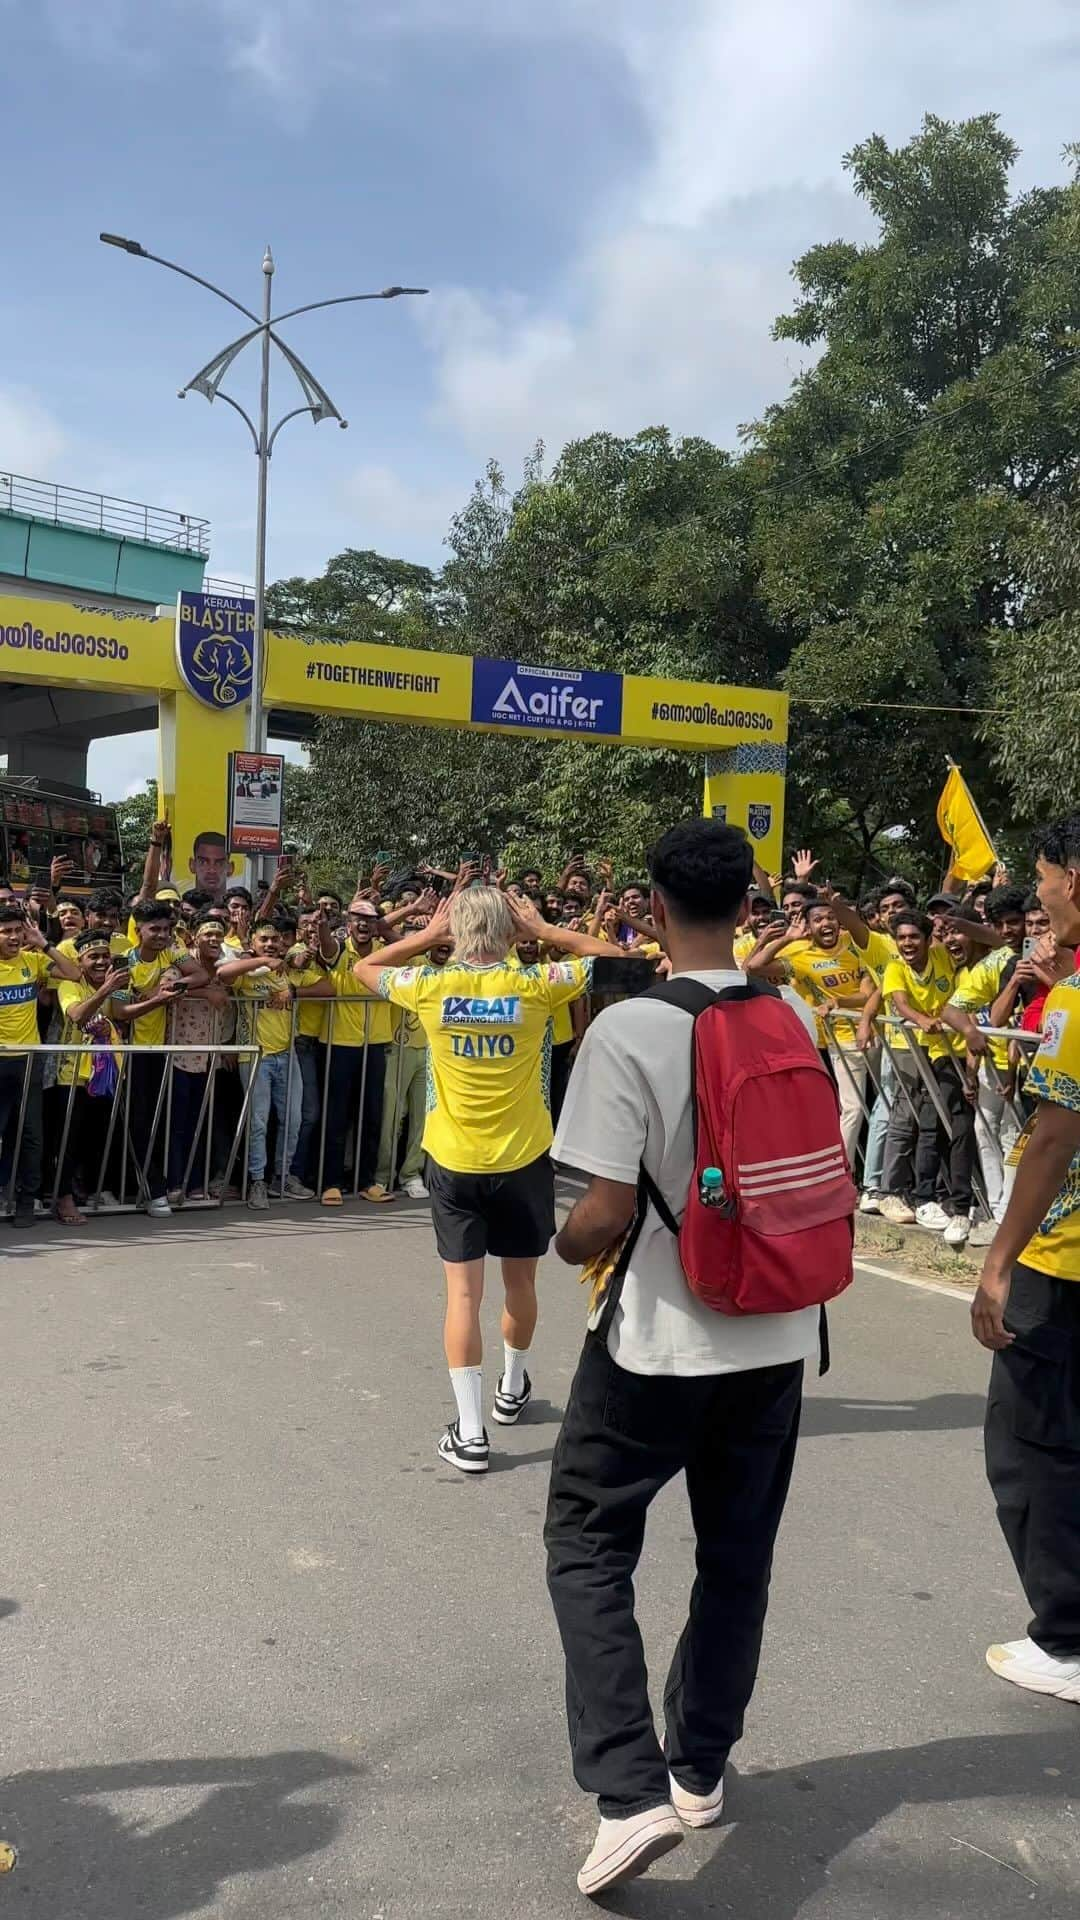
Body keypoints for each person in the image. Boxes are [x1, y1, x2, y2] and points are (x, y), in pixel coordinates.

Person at [542, 820, 823, 1897]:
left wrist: (558, 1242)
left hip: (658, 1338)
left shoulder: (629, 1031)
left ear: (652, 906)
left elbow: (602, 1211)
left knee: (586, 1543)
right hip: (778, 1332)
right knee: (735, 1556)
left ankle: (626, 1792)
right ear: (749, 904)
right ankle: (698, 1764)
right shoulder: (791, 1009)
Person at [354, 887, 613, 1472]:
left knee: (463, 1296)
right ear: (510, 931)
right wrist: (544, 931)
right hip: (523, 1158)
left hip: (453, 1159)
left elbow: (363, 966)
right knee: (521, 1283)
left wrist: (424, 937)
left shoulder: (430, 985)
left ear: (455, 931)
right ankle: (511, 1386)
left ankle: (471, 1434)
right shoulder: (537, 984)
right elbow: (616, 959)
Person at [971, 812, 1080, 1703]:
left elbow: (1052, 1138)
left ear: (1073, 879)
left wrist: (998, 1261)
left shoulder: (1078, 1000)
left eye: (1043, 878)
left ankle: (1068, 1639)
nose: (1038, 897)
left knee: (1035, 1450)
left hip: (1063, 1264)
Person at [877, 912, 981, 1240]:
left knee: (960, 1125)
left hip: (964, 1049)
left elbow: (970, 941)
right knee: (931, 1122)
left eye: (914, 937)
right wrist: (921, 1019)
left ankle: (961, 1201)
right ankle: (927, 1197)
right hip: (931, 1052)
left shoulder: (943, 955)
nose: (907, 943)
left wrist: (955, 921)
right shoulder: (896, 968)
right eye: (901, 937)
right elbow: (899, 1002)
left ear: (927, 939)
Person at [218, 922, 333, 1210]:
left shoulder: (290, 972)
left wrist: (292, 992)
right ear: (254, 943)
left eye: (275, 941)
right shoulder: (247, 972)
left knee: (292, 1120)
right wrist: (262, 961)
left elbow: (328, 987)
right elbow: (223, 974)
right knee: (258, 1122)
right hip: (256, 1057)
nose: (270, 944)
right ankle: (257, 1180)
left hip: (287, 1054)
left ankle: (282, 1177)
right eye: (264, 940)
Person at [109, 901, 205, 1218]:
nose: (162, 935)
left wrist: (175, 984)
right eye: (155, 929)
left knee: (154, 1124)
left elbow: (200, 974)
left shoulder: (171, 953)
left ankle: (145, 1188)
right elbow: (121, 1011)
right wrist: (158, 999)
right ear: (138, 931)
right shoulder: (125, 960)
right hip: (127, 1054)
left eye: (166, 929)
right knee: (135, 1124)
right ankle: (151, 1191)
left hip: (159, 1052)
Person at [948, 885, 1028, 1244]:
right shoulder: (992, 964)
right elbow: (951, 1008)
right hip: (993, 1068)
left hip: (1031, 1068)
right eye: (1002, 924)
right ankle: (999, 1211)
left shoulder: (1051, 952)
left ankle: (1014, 1213)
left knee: (1018, 1139)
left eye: (1016, 921)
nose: (1010, 930)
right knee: (986, 1132)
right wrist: (970, 1032)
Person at [0, 905, 80, 1222]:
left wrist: (43, 943)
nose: (14, 937)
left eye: (18, 930)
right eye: (7, 931)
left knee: (31, 1135)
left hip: (28, 1063)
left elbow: (74, 973)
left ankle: (25, 1201)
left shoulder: (33, 961)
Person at [320, 899, 394, 1207]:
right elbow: (325, 946)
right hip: (340, 1043)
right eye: (358, 918)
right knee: (336, 1118)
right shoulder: (339, 949)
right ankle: (330, 1182)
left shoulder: (384, 950)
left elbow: (411, 950)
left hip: (376, 1043)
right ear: (348, 922)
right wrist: (323, 924)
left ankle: (366, 1182)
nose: (363, 924)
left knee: (372, 1116)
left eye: (370, 919)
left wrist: (390, 927)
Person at [50, 930, 126, 1223]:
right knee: (67, 1142)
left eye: (105, 956)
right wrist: (105, 989)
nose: (100, 962)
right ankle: (63, 1198)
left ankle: (91, 1190)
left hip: (104, 1076)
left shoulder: (115, 984)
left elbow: (120, 1014)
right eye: (93, 957)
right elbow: (78, 1016)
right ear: (79, 962)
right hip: (71, 1076)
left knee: (95, 1139)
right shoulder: (70, 985)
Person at [189, 830, 232, 902]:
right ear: (192, 865)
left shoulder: (237, 910)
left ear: (230, 868)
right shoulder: (181, 909)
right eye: (204, 862)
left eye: (219, 863)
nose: (212, 870)